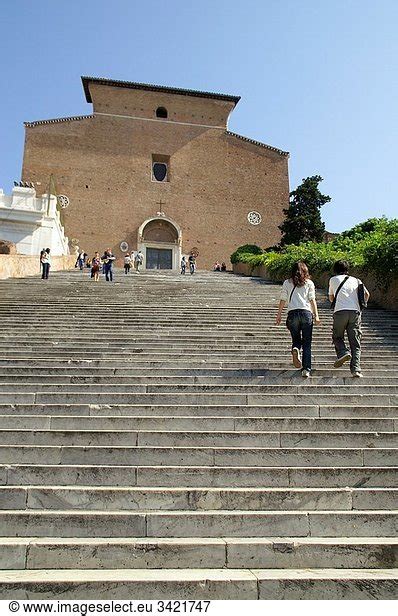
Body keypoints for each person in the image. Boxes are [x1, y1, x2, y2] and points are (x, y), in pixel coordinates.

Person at [275, 261, 320, 378]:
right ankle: (306, 369)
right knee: (307, 343)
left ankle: (295, 348)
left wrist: (279, 315)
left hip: (292, 313)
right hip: (306, 313)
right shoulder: (309, 283)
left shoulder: (287, 282)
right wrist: (316, 315)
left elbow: (283, 299)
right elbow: (312, 300)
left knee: (296, 338)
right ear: (305, 271)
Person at [328, 260, 370, 377]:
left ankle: (343, 352)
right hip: (355, 312)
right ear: (347, 269)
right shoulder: (357, 280)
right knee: (355, 342)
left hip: (340, 312)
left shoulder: (333, 280)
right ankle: (356, 369)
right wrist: (360, 305)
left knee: (337, 336)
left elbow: (331, 298)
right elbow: (367, 294)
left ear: (335, 269)